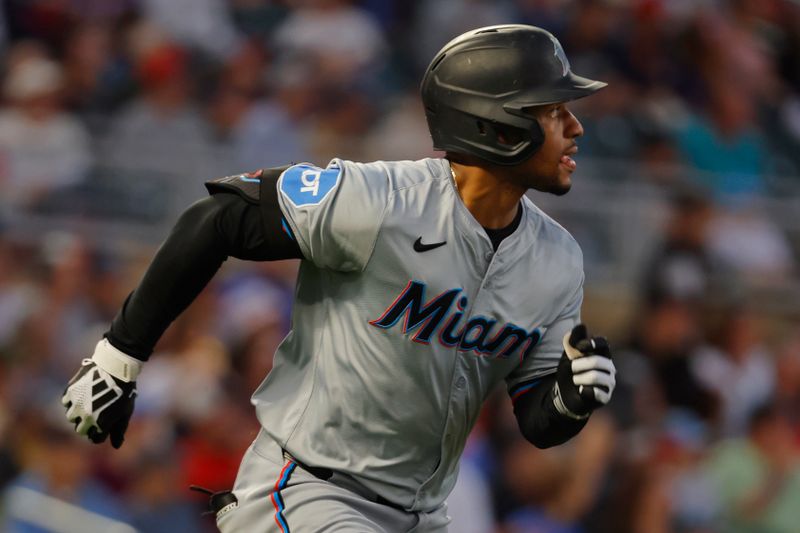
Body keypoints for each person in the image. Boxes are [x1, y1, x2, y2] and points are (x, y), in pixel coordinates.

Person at [61, 25, 618, 532]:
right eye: (552, 110)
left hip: (423, 515)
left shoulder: (558, 260)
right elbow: (217, 219)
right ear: (497, 125)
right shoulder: (380, 202)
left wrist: (568, 400)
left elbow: (537, 422)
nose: (575, 127)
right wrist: (118, 357)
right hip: (307, 492)